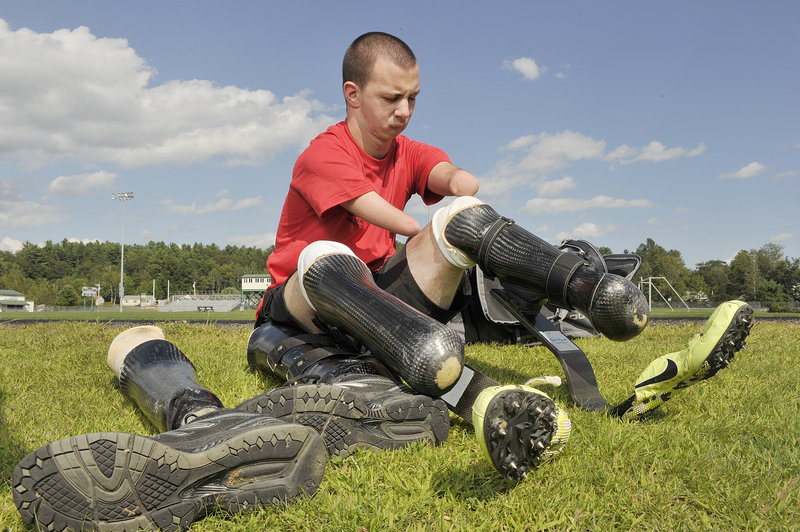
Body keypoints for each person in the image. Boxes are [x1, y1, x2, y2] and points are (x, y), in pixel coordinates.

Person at [12, 32, 754, 531]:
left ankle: (580, 289)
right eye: (390, 99)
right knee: (324, 262)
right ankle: (372, 379)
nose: (404, 113)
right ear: (351, 94)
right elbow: (377, 214)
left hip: (383, 320)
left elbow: (454, 180)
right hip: (304, 315)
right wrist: (439, 231)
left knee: (460, 215)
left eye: (414, 101)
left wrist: (469, 206)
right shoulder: (321, 155)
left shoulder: (408, 144)